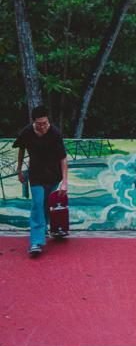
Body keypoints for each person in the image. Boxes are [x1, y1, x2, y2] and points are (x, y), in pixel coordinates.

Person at [13, 105, 68, 257]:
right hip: (36, 174)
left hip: (53, 175)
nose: (43, 126)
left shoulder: (55, 133)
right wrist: (19, 169)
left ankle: (48, 229)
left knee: (47, 204)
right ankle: (36, 242)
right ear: (34, 122)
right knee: (37, 204)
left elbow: (63, 158)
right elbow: (21, 149)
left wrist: (64, 181)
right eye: (39, 124)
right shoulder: (27, 132)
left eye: (45, 123)